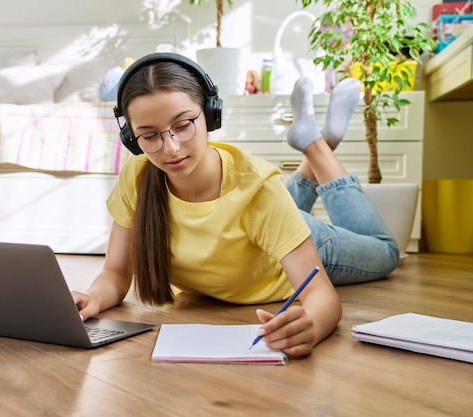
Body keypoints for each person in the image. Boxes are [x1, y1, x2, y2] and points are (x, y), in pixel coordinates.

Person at [72, 53, 399, 358]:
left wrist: (311, 324)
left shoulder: (257, 187)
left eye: (184, 124)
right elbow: (115, 273)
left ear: (211, 114)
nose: (170, 148)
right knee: (265, 209)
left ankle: (315, 146)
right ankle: (316, 144)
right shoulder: (138, 175)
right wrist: (93, 298)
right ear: (131, 138)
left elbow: (322, 296)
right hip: (258, 232)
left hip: (293, 246)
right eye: (149, 135)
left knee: (386, 253)